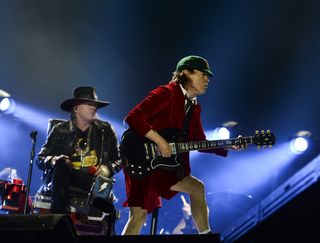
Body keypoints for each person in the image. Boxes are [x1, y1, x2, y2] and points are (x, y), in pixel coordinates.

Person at [121, 55, 242, 235]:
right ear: (186, 73)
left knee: (196, 187)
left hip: (163, 165)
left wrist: (227, 146)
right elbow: (132, 118)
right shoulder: (166, 93)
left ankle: (206, 236)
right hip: (140, 157)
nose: (207, 79)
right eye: (203, 74)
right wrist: (160, 141)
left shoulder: (194, 107)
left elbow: (200, 143)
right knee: (139, 215)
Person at [36, 86, 122, 214]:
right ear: (76, 108)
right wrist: (53, 160)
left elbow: (119, 160)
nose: (94, 108)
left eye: (95, 104)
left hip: (94, 182)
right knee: (63, 163)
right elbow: (40, 159)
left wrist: (108, 168)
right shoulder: (60, 130)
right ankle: (58, 213)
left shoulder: (106, 130)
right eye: (89, 104)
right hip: (65, 180)